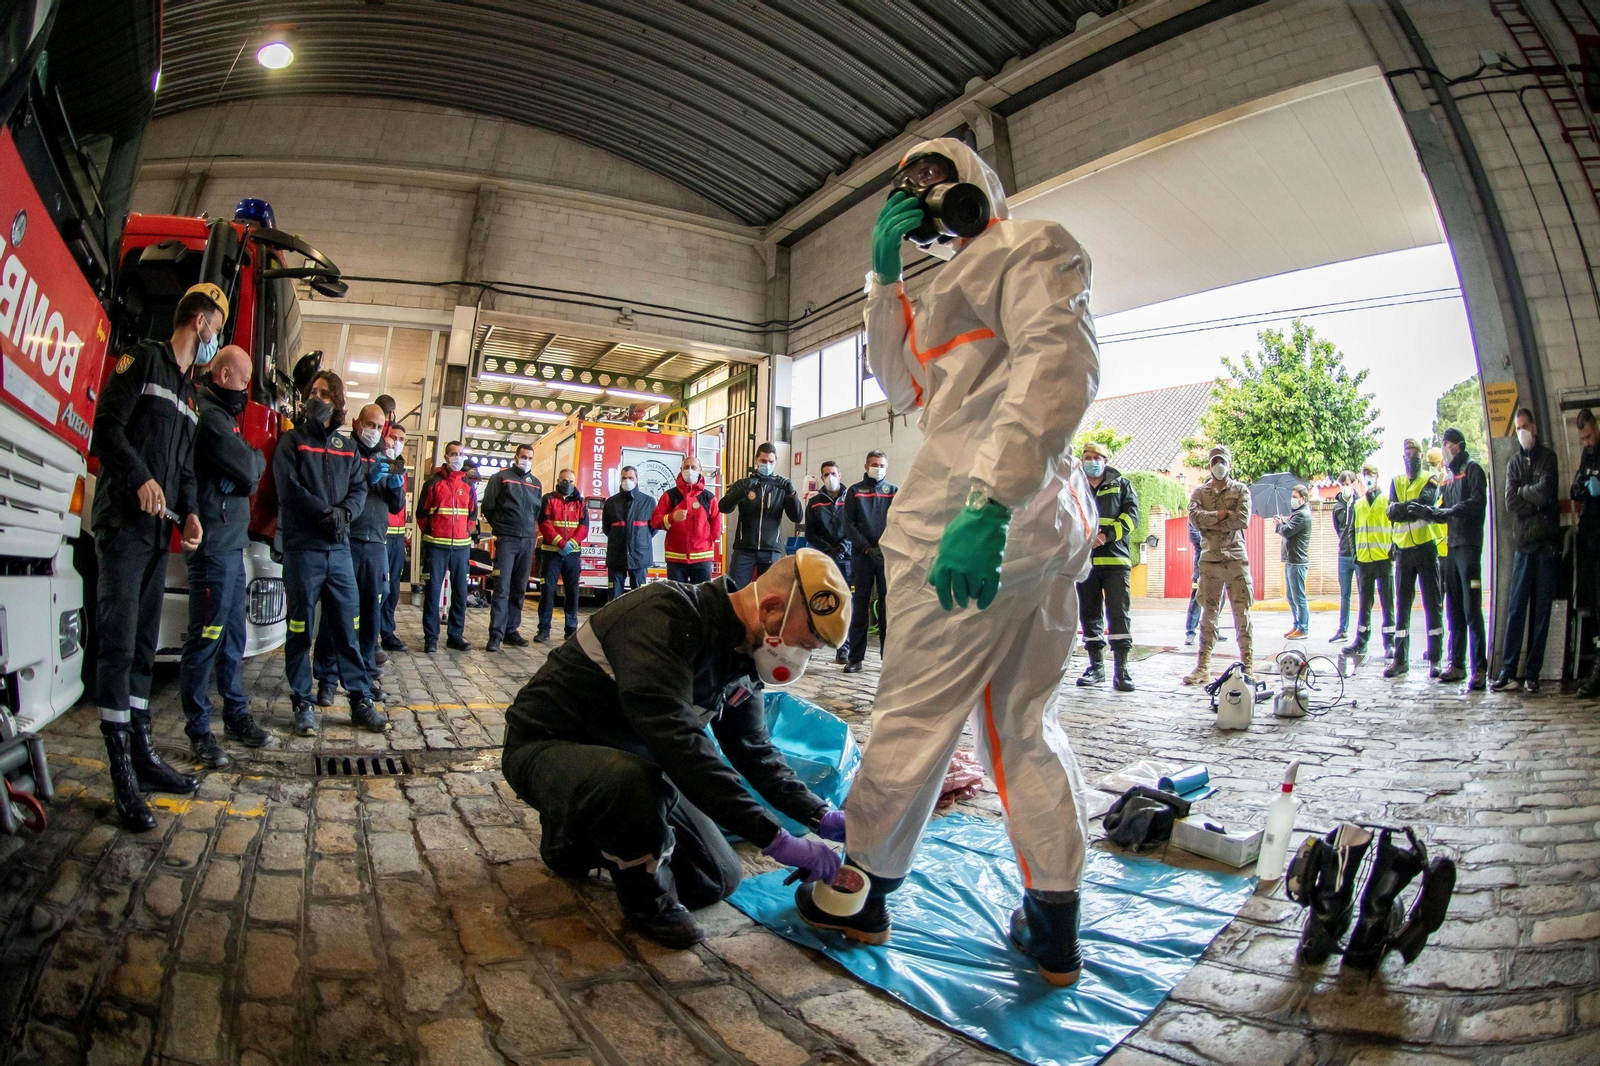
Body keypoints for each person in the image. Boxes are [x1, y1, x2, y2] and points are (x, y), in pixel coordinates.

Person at [793, 139, 1099, 988]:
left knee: (914, 716)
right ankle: (1052, 922)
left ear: (977, 186)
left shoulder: (1030, 245)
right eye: (911, 189)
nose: (926, 196)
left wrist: (987, 504)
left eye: (938, 181)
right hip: (1025, 529)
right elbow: (907, 390)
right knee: (1022, 726)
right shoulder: (939, 287)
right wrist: (883, 280)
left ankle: (859, 891)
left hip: (969, 525)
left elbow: (1060, 370)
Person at [500, 551, 852, 947]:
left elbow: (753, 749)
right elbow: (679, 743)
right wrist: (776, 839)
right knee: (634, 784)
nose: (798, 660)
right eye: (802, 645)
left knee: (716, 878)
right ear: (770, 608)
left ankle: (588, 837)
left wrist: (819, 815)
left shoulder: (742, 658)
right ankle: (645, 902)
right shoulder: (664, 617)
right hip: (550, 748)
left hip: (637, 763)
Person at [90, 283, 217, 831]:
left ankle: (141, 755)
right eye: (217, 325)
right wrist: (139, 476)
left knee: (144, 643)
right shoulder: (142, 359)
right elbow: (106, 428)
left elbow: (186, 469)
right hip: (123, 522)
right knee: (118, 644)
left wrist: (191, 513)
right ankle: (120, 770)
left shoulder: (190, 394)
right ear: (201, 320)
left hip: (157, 531)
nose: (216, 337)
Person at [276, 372, 389, 736]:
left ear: (338, 402)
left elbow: (358, 489)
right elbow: (288, 489)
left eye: (325, 393)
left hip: (339, 551)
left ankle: (359, 699)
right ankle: (302, 703)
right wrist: (326, 514)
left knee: (346, 627)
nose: (317, 397)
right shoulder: (292, 442)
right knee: (300, 628)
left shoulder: (347, 448)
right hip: (303, 549)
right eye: (313, 391)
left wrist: (343, 513)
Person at [179, 345, 269, 768]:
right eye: (244, 379)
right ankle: (199, 729)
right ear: (225, 374)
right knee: (206, 641)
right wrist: (248, 467)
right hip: (214, 548)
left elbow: (252, 464)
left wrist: (247, 466)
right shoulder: (211, 418)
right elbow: (252, 469)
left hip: (232, 548)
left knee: (233, 638)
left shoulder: (225, 419)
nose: (247, 389)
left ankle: (235, 714)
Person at [312, 403, 403, 703]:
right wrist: (367, 479)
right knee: (336, 611)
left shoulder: (385, 457)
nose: (374, 431)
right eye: (370, 424)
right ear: (356, 422)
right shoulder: (343, 452)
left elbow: (396, 507)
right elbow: (337, 494)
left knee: (370, 614)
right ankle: (326, 678)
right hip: (345, 542)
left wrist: (395, 487)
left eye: (379, 427)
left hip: (376, 544)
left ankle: (363, 677)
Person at [1493, 408, 1561, 692]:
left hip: (1545, 545)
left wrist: (1525, 493)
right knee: (1516, 608)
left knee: (1541, 611)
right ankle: (1509, 670)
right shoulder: (1513, 464)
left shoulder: (1548, 458)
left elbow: (1547, 492)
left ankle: (1532, 672)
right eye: (1517, 427)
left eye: (1525, 426)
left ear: (1534, 427)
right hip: (1523, 545)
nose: (1521, 431)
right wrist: (1528, 495)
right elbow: (1510, 502)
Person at [1184, 446, 1255, 685]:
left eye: (1223, 461)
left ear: (1230, 464)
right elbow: (1194, 519)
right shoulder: (1199, 492)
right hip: (1210, 559)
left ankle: (1248, 665)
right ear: (1209, 465)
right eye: (1215, 462)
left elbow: (1242, 519)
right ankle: (1203, 667)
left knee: (1241, 614)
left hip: (1235, 558)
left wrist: (1211, 520)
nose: (1219, 466)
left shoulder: (1241, 490)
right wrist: (1224, 514)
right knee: (1208, 615)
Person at [1425, 427, 1488, 688]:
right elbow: (1442, 508)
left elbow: (1476, 503)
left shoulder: (1473, 470)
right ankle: (1457, 664)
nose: (1444, 449)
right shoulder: (1448, 478)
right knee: (1454, 610)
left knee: (1472, 608)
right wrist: (1426, 511)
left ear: (1457, 446)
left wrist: (1447, 512)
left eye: (1446, 443)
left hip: (1469, 549)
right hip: (1452, 549)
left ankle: (1480, 669)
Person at [1075, 441, 1139, 691]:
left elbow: (1132, 516)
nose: (1091, 461)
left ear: (1105, 461)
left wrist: (1106, 535)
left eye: (1096, 457)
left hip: (1115, 561)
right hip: (1084, 564)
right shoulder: (1075, 486)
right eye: (1087, 457)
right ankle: (1096, 667)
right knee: (1089, 616)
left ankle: (1121, 670)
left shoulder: (1122, 485)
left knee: (1118, 614)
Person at [1384, 438, 1444, 679]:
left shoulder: (1431, 478)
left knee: (1433, 605)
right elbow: (1391, 512)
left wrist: (1404, 509)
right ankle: (1400, 660)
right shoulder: (1396, 482)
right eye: (1407, 453)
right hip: (1403, 552)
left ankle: (1436, 658)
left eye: (1415, 452)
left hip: (1426, 549)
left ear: (1421, 455)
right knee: (1403, 608)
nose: (1411, 457)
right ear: (1403, 457)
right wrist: (1407, 509)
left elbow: (1426, 503)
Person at [481, 443, 542, 652]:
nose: (526, 460)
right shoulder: (501, 478)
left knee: (519, 588)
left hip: (527, 541)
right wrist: (501, 528)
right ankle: (495, 635)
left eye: (530, 457)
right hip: (507, 540)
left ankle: (511, 631)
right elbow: (487, 506)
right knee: (502, 588)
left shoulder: (536, 483)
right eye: (523, 456)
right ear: (515, 457)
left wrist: (530, 533)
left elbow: (537, 512)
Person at [416, 441, 476, 653]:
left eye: (460, 454)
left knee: (460, 593)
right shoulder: (432, 483)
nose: (457, 458)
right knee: (432, 593)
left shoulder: (468, 486)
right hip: (436, 547)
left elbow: (472, 515)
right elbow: (421, 515)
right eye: (453, 453)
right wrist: (432, 533)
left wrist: (466, 533)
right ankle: (430, 638)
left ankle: (455, 636)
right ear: (445, 455)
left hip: (461, 547)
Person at [841, 451, 897, 674]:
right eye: (874, 464)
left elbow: (898, 522)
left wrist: (886, 548)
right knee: (860, 608)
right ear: (866, 466)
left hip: (886, 557)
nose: (878, 468)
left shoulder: (893, 492)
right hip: (861, 557)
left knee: (887, 609)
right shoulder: (855, 491)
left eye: (882, 464)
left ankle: (889, 659)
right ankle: (855, 658)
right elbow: (848, 525)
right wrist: (866, 547)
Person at [720, 442, 801, 587]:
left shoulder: (781, 487)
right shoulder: (743, 484)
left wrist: (792, 494)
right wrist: (744, 489)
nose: (767, 464)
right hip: (744, 549)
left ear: (776, 461)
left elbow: (797, 517)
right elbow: (724, 507)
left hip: (771, 550)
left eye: (771, 461)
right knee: (736, 591)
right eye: (763, 461)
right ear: (756, 460)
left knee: (771, 594)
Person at [1343, 463, 1397, 663]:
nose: (1367, 478)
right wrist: (1355, 555)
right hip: (1364, 561)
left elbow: (1395, 527)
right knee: (1365, 604)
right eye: (1364, 475)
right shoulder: (1358, 505)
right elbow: (1351, 531)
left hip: (1384, 559)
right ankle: (1361, 640)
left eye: (1370, 474)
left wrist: (1393, 551)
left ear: (1377, 476)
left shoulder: (1387, 501)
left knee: (1387, 604)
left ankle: (1390, 642)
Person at [805, 460, 853, 664]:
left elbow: (857, 525)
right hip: (823, 559)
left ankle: (844, 647)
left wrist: (845, 546)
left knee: (846, 603)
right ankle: (813, 642)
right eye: (826, 474)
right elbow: (810, 532)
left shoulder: (851, 499)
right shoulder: (814, 502)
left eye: (833, 473)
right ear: (821, 477)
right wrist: (827, 549)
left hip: (847, 559)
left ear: (840, 475)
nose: (830, 477)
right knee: (820, 599)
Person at [536, 468, 588, 643]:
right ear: (558, 481)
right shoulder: (548, 499)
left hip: (572, 555)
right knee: (547, 592)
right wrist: (560, 542)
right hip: (551, 554)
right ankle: (543, 630)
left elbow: (584, 526)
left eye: (571, 481)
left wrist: (571, 543)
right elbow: (544, 523)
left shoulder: (581, 502)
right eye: (565, 480)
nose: (568, 483)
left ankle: (571, 629)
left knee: (572, 592)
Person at [652, 455, 721, 583]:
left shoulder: (709, 498)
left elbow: (716, 527)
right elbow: (655, 521)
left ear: (700, 469)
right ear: (681, 469)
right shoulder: (669, 495)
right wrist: (671, 518)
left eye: (693, 467)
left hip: (702, 558)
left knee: (701, 597)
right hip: (676, 558)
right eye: (686, 467)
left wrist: (704, 543)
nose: (690, 470)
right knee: (677, 598)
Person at [1571, 410, 1600, 696]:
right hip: (1590, 541)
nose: (1587, 442)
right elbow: (1577, 486)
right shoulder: (1587, 455)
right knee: (1593, 607)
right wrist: (1580, 489)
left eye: (1589, 436)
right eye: (1583, 438)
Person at [379, 423, 410, 652]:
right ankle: (370, 633)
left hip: (398, 538)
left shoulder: (401, 469)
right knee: (380, 587)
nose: (397, 442)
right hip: (381, 535)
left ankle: (387, 632)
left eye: (401, 439)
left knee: (394, 588)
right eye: (394, 437)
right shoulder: (379, 464)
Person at [603, 465, 654, 599]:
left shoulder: (648, 502)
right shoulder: (611, 502)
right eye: (624, 478)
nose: (627, 481)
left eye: (630, 478)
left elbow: (653, 528)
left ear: (637, 479)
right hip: (616, 556)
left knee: (640, 600)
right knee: (614, 598)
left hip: (639, 557)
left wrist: (639, 540)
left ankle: (638, 621)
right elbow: (606, 528)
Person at [1276, 484, 1311, 639]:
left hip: (1297, 561)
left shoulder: (1302, 515)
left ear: (1303, 498)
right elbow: (1289, 526)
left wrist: (1279, 525)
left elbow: (1288, 531)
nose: (1292, 500)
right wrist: (1282, 521)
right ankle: (1297, 624)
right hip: (1291, 559)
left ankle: (1303, 628)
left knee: (1299, 597)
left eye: (1295, 497)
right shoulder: (1297, 514)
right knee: (1291, 596)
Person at [1330, 471, 1359, 643]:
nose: (1345, 487)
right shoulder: (1337, 507)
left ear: (1354, 484)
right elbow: (1338, 529)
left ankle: (1363, 630)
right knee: (1345, 594)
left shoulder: (1360, 504)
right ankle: (1343, 629)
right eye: (1343, 484)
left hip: (1360, 555)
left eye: (1348, 484)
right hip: (1344, 555)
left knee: (1364, 593)